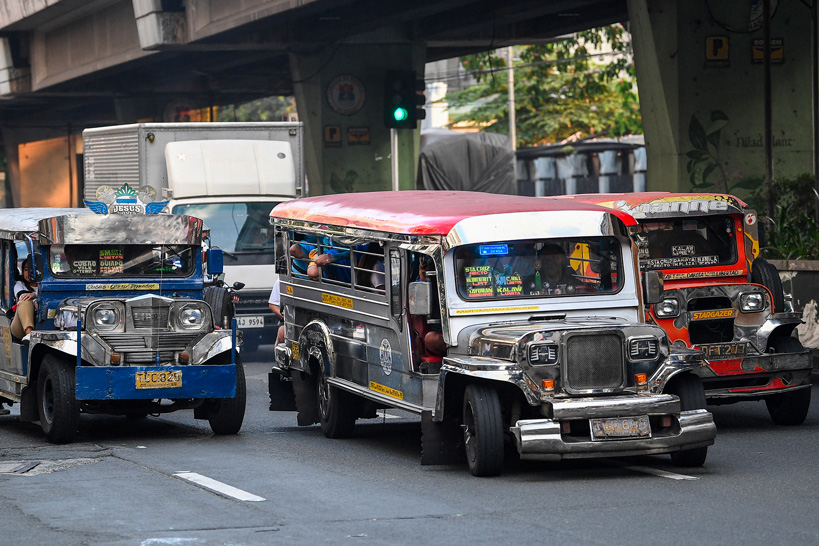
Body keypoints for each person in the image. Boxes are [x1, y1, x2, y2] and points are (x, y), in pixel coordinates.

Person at [12, 259, 39, 340]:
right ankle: (29, 333)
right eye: (26, 269)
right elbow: (22, 296)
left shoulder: (45, 286)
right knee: (25, 300)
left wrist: (35, 294)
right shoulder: (19, 284)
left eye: (32, 270)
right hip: (20, 326)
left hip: (40, 322)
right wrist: (34, 300)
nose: (28, 273)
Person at [268, 279, 285, 344]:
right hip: (290, 321)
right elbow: (273, 305)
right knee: (282, 333)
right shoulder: (281, 281)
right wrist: (287, 318)